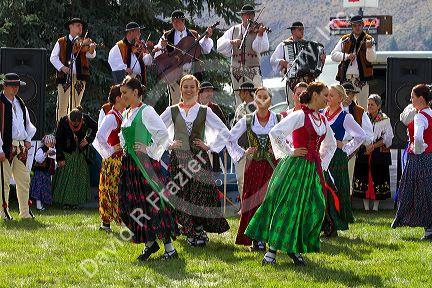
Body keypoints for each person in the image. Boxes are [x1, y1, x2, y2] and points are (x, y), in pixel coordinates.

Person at [245, 82, 337, 266]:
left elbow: (331, 143)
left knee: (311, 206)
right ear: (314, 95)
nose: (327, 99)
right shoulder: (300, 115)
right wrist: (291, 151)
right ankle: (271, 252)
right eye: (325, 95)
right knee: (288, 205)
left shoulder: (323, 119)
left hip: (312, 170)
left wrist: (321, 162)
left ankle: (293, 246)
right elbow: (276, 132)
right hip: (295, 168)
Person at [160, 74, 230, 247]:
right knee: (181, 195)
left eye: (192, 87)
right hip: (179, 159)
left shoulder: (205, 111)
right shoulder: (172, 110)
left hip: (199, 159)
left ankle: (198, 229)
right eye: (185, 87)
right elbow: (156, 129)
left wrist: (210, 146)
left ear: (197, 90)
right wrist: (168, 144)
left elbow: (224, 131)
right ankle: (190, 232)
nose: (189, 90)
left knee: (199, 196)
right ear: (181, 89)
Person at [118, 76, 179, 260]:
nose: (122, 97)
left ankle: (169, 249)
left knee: (155, 204)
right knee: (131, 205)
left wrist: (149, 149)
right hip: (129, 165)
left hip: (145, 165)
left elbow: (163, 134)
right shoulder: (127, 113)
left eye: (125, 93)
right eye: (121, 94)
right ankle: (150, 243)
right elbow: (124, 137)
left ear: (136, 92)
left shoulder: (146, 111)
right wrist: (125, 148)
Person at [228, 87, 279, 251]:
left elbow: (289, 139)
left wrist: (277, 149)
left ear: (270, 100)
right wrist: (242, 152)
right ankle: (256, 238)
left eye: (265, 97)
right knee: (253, 201)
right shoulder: (247, 120)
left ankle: (269, 235)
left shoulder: (278, 119)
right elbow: (230, 139)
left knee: (270, 201)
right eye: (259, 97)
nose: (262, 99)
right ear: (255, 100)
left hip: (272, 166)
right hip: (254, 166)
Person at [322, 84, 366, 235]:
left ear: (340, 98)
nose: (328, 98)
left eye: (332, 95)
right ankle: (323, 222)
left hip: (336, 157)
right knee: (322, 189)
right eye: (327, 95)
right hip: (322, 156)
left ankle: (333, 224)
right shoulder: (322, 113)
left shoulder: (345, 116)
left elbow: (360, 136)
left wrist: (345, 146)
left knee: (334, 189)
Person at [392, 84, 432, 241]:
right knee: (425, 192)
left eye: (412, 97)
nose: (410, 100)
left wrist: (418, 149)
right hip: (428, 157)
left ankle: (427, 227)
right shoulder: (429, 113)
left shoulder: (420, 116)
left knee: (417, 192)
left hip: (420, 159)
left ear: (421, 99)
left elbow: (419, 137)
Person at [154, 10, 214, 105]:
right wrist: (162, 46)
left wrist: (206, 37)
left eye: (177, 21)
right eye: (173, 21)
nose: (175, 23)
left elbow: (205, 50)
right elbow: (157, 55)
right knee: (175, 102)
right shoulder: (167, 35)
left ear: (183, 21)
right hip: (173, 73)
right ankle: (174, 120)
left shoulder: (193, 34)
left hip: (191, 72)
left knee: (191, 102)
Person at [0, 73, 37, 220]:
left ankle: (25, 212)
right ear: (5, 86)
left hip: (21, 146)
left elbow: (27, 124)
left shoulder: (20, 102)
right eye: (12, 86)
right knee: (4, 182)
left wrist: (28, 139)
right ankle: (4, 213)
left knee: (24, 180)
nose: (15, 88)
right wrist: (0, 149)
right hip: (6, 147)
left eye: (17, 86)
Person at [217, 4, 269, 107]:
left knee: (256, 95)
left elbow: (260, 48)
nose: (248, 17)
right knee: (238, 96)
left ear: (254, 16)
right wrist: (231, 42)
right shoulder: (233, 30)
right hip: (237, 71)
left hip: (252, 69)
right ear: (242, 16)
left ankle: (255, 119)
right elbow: (219, 45)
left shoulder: (259, 30)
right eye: (246, 15)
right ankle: (240, 119)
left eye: (251, 15)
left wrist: (259, 35)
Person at [50, 18, 96, 122]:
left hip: (80, 76)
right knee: (62, 105)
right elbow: (53, 57)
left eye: (81, 26)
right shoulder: (61, 41)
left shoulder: (84, 42)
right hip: (65, 77)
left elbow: (91, 55)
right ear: (70, 26)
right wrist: (62, 67)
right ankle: (61, 130)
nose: (80, 28)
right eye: (78, 25)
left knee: (76, 105)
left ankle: (74, 131)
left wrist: (92, 49)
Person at [352, 94, 393, 211]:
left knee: (378, 176)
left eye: (372, 104)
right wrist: (366, 145)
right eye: (368, 104)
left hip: (378, 153)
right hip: (364, 150)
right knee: (363, 176)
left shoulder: (385, 119)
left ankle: (375, 207)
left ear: (379, 106)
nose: (369, 107)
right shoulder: (363, 117)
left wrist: (373, 146)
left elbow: (387, 138)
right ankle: (365, 207)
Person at [93, 85, 125, 232]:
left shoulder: (122, 114)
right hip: (113, 161)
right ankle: (106, 223)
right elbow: (99, 137)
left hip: (121, 160)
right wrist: (111, 150)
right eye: (124, 94)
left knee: (118, 190)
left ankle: (119, 220)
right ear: (118, 98)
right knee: (110, 190)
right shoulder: (111, 116)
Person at [270, 22, 325, 108]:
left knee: (310, 105)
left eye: (303, 29)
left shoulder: (309, 45)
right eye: (300, 29)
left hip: (308, 81)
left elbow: (318, 63)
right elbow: (273, 60)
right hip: (293, 81)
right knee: (293, 106)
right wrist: (282, 62)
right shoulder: (284, 45)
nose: (302, 31)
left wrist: (321, 59)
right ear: (293, 31)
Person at [52, 107, 97, 209]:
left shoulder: (85, 118)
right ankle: (65, 202)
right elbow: (58, 140)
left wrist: (88, 139)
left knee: (78, 177)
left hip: (80, 153)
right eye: (73, 122)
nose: (75, 124)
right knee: (67, 178)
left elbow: (96, 127)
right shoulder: (63, 121)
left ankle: (76, 202)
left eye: (78, 122)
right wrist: (60, 158)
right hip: (67, 153)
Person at [331, 15, 376, 109]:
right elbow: (333, 55)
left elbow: (372, 59)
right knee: (344, 107)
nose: (357, 27)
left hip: (361, 79)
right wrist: (347, 56)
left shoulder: (369, 39)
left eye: (359, 25)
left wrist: (369, 48)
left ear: (363, 25)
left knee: (362, 107)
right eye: (355, 26)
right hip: (346, 79)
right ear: (352, 26)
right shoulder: (345, 39)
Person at [232, 82, 256, 203]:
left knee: (254, 178)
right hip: (241, 148)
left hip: (254, 148)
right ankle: (244, 206)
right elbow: (235, 127)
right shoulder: (240, 107)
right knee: (240, 179)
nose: (240, 94)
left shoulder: (258, 107)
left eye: (241, 92)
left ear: (246, 92)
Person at [198, 81, 228, 172]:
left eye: (211, 91)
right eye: (207, 91)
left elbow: (224, 127)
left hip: (212, 146)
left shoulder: (215, 108)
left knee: (213, 172)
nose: (210, 94)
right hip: (197, 145)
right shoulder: (195, 108)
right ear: (200, 93)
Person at [30, 134, 56, 211]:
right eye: (50, 143)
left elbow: (52, 162)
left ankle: (43, 204)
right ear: (45, 142)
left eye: (53, 143)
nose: (51, 145)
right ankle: (38, 206)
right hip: (39, 172)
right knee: (39, 188)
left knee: (45, 189)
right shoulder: (41, 150)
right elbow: (38, 159)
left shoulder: (53, 150)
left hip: (46, 173)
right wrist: (46, 154)